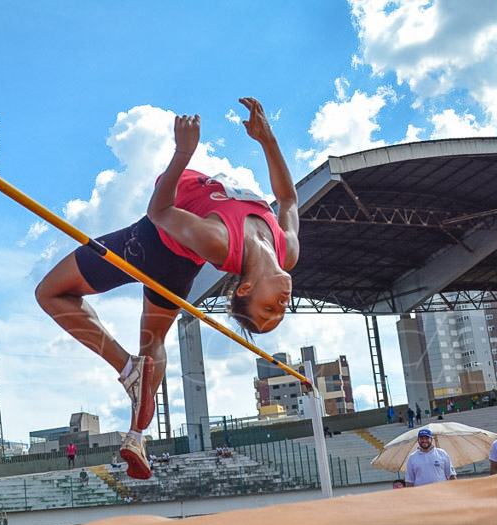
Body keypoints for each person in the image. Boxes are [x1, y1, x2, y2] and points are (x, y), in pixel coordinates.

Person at [35, 98, 299, 481]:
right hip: (179, 265)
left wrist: (182, 154)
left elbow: (160, 213)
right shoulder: (286, 250)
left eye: (268, 313)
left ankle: (127, 368)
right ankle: (137, 434)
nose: (281, 308)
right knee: (153, 341)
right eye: (277, 313)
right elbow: (289, 199)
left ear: (245, 290)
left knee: (50, 292)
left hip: (149, 246)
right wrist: (267, 139)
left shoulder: (220, 243)